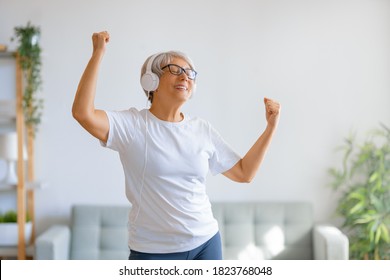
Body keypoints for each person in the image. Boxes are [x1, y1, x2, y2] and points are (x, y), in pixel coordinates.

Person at [72, 31, 281, 260]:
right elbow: (83, 114)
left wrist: (270, 128)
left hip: (206, 243)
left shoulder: (202, 130)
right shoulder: (131, 125)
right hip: (153, 251)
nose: (185, 77)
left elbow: (244, 173)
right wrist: (98, 53)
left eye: (189, 73)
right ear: (151, 81)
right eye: (175, 70)